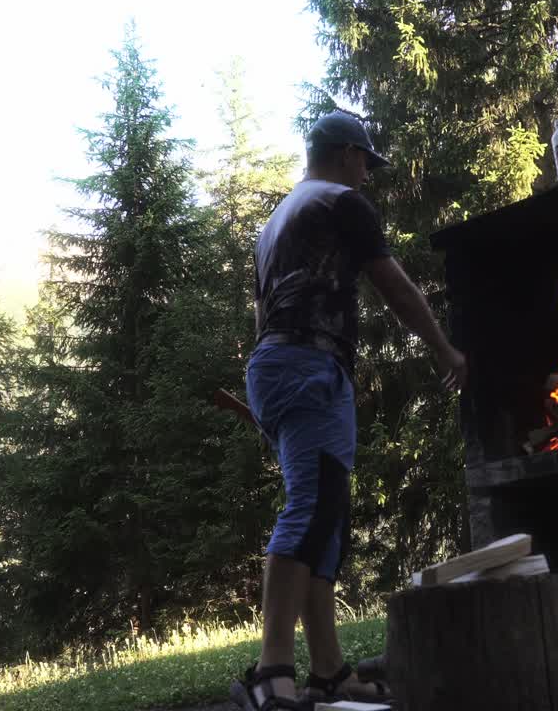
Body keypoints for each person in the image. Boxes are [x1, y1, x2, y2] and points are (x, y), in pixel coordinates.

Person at [230, 111, 467, 711]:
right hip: (309, 365)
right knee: (312, 508)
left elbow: (263, 319)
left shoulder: (276, 222)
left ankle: (330, 673)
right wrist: (445, 350)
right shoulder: (341, 203)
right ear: (342, 154)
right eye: (365, 160)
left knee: (326, 513)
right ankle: (271, 669)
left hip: (278, 368)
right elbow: (396, 286)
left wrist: (273, 401)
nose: (368, 172)